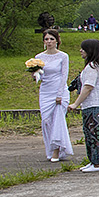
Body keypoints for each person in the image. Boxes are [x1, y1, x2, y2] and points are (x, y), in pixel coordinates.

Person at [68, 38, 99, 172]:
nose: (81, 51)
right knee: (89, 133)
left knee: (95, 134)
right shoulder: (95, 66)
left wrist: (75, 104)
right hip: (92, 105)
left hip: (95, 105)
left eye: (84, 48)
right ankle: (93, 161)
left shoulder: (93, 67)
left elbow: (88, 87)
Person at [35, 28, 74, 162]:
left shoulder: (63, 56)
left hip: (59, 90)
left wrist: (59, 95)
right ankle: (50, 149)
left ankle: (57, 150)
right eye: (46, 39)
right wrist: (34, 74)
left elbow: (64, 76)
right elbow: (40, 76)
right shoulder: (39, 57)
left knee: (57, 120)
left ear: (57, 41)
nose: (49, 41)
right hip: (45, 90)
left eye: (52, 39)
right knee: (46, 121)